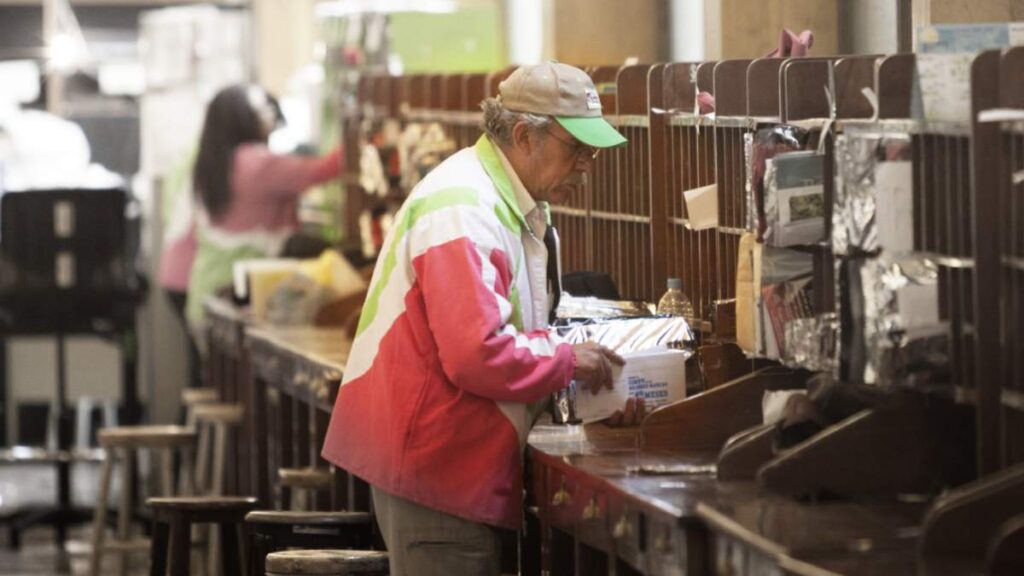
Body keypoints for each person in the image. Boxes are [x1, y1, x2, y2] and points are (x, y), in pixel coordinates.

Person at [321, 62, 645, 576]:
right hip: (436, 467)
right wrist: (568, 362)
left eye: (592, 152)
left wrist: (585, 390)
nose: (588, 165)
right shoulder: (465, 211)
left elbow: (522, 328)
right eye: (576, 149)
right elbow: (478, 354)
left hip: (452, 457)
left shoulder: (517, 205)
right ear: (524, 137)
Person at [158, 84, 343, 360]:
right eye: (262, 110)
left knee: (209, 377)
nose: (269, 115)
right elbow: (325, 168)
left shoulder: (213, 161)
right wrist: (357, 131)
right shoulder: (257, 164)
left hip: (201, 288)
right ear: (242, 118)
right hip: (227, 292)